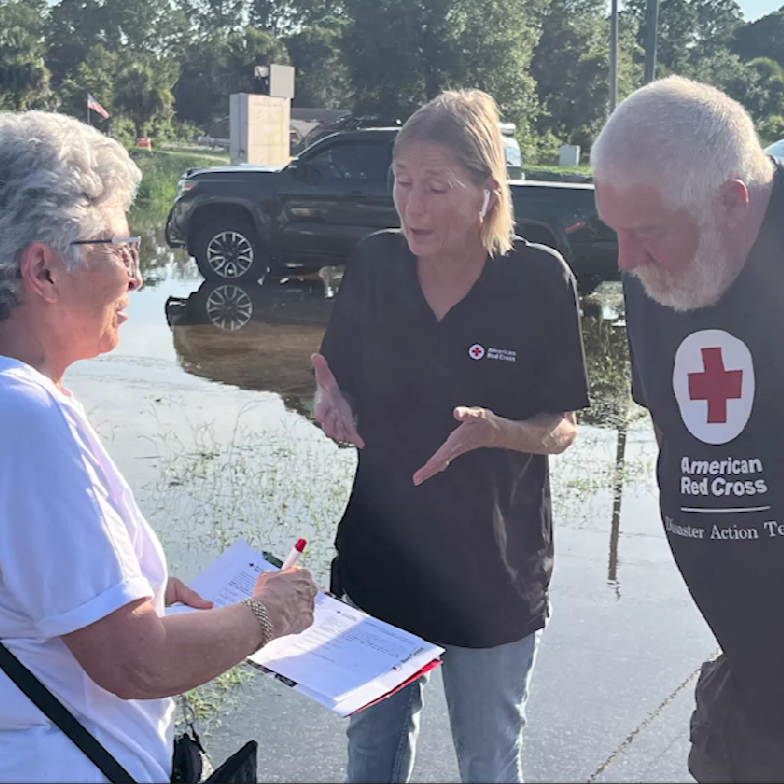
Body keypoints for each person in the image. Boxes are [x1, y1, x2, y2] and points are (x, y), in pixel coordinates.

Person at [0, 111, 318, 783]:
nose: (137, 278)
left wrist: (131, 581)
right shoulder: (23, 414)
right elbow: (136, 661)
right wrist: (271, 613)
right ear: (43, 270)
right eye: (122, 248)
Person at [312, 90, 589, 784]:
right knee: (372, 750)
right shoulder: (375, 266)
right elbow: (333, 375)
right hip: (382, 559)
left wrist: (499, 432)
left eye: (436, 187)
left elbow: (561, 427)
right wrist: (329, 400)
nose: (412, 205)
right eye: (402, 182)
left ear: (486, 193)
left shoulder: (536, 279)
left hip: (492, 569)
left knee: (488, 760)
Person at [591, 77, 784, 783]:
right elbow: (671, 429)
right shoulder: (661, 276)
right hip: (749, 696)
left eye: (646, 231)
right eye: (615, 229)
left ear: (733, 202)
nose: (624, 260)